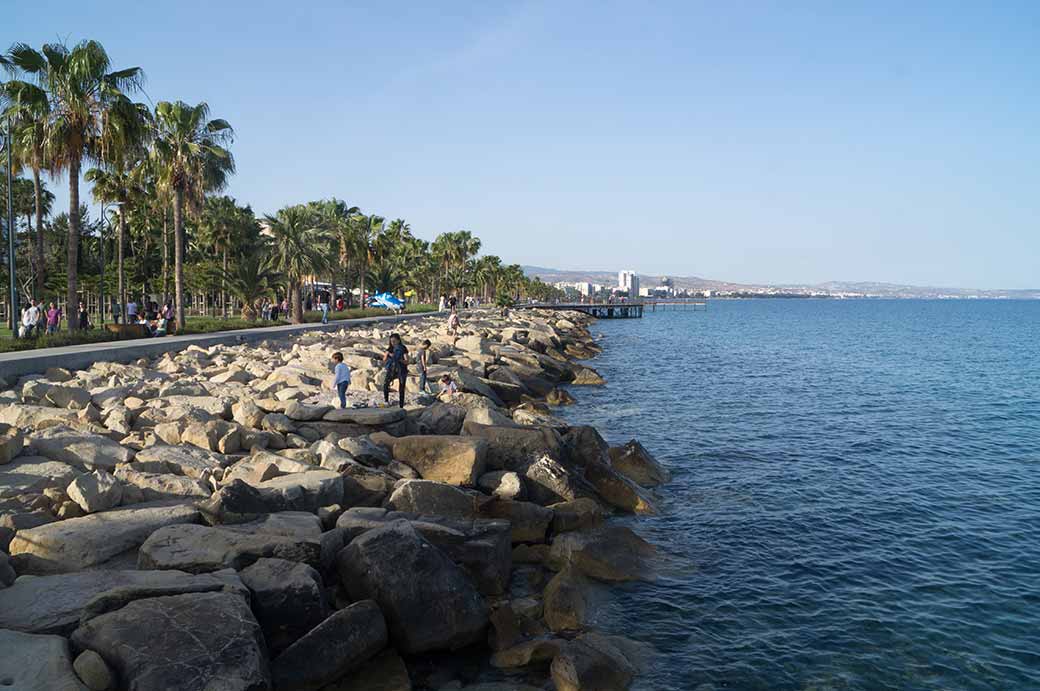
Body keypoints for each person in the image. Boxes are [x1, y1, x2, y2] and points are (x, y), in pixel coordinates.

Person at [381, 333, 409, 408]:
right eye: (391, 341)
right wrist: (387, 355)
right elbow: (384, 359)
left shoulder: (403, 348)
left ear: (399, 340)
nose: (393, 343)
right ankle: (386, 401)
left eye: (394, 341)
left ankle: (401, 405)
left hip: (401, 369)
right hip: (391, 369)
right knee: (385, 384)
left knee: (401, 388)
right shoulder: (390, 348)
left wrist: (398, 359)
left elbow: (407, 361)